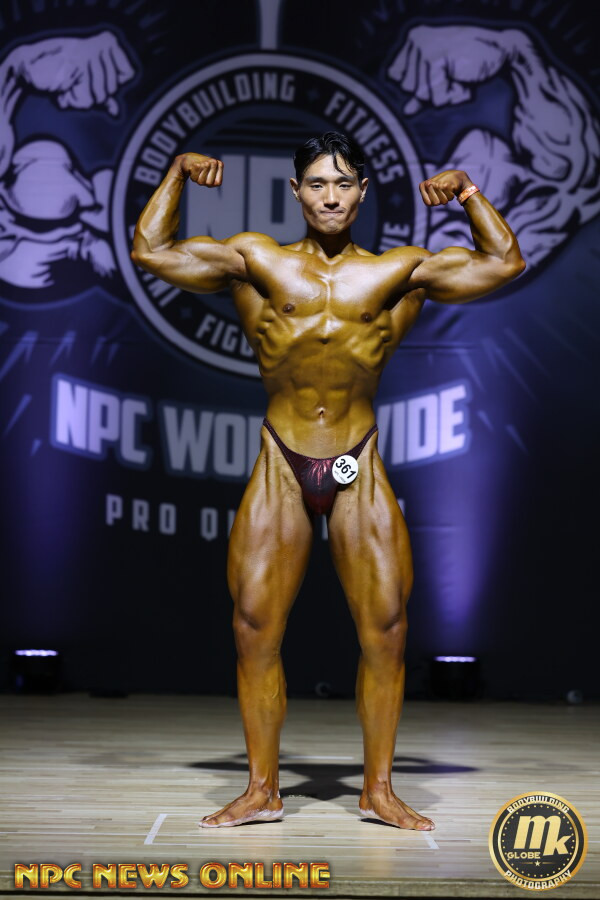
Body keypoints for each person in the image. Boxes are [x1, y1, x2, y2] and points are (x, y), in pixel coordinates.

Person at [131, 132, 525, 831]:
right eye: (317, 184)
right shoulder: (259, 261)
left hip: (356, 460)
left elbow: (504, 262)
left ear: (363, 192)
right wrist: (179, 172)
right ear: (297, 192)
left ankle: (378, 790)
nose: (332, 196)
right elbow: (150, 251)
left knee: (387, 630)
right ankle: (262, 789)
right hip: (283, 459)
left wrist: (467, 192)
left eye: (344, 184)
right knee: (254, 627)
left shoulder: (399, 271)